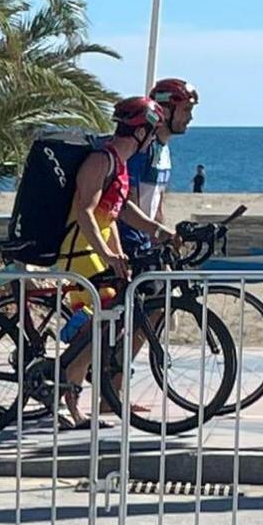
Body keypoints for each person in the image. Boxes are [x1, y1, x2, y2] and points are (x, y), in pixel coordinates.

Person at [56, 96, 176, 427]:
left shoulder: (119, 164)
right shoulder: (100, 160)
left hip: (96, 249)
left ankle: (73, 384)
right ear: (139, 132)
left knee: (112, 317)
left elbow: (116, 213)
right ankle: (67, 393)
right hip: (78, 250)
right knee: (103, 314)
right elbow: (85, 211)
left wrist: (153, 233)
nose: (153, 139)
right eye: (151, 132)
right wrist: (107, 254)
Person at [118, 78, 199, 263]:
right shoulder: (142, 149)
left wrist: (163, 241)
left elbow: (157, 206)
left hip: (146, 242)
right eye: (186, 110)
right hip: (126, 246)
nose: (190, 118)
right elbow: (125, 204)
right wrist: (157, 232)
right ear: (166, 110)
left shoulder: (164, 149)